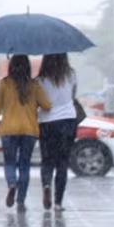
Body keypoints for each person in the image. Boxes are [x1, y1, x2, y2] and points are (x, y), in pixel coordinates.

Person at [0, 54, 51, 211]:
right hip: (29, 130)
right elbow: (47, 106)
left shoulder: (4, 84)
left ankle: (12, 184)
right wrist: (34, 105)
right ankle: (21, 200)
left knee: (10, 162)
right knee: (24, 165)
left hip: (8, 130)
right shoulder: (34, 85)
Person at [37, 53, 78, 211]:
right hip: (68, 120)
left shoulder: (40, 79)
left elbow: (39, 101)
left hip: (47, 122)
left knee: (47, 160)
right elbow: (73, 96)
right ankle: (58, 203)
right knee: (62, 162)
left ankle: (46, 184)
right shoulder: (71, 74)